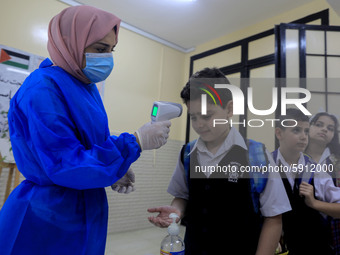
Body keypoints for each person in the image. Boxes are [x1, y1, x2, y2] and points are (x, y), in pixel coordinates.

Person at [0, 5, 171, 255]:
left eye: (112, 50)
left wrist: (114, 169)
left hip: (84, 208)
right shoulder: (43, 89)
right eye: (100, 49)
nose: (108, 58)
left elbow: (87, 144)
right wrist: (135, 142)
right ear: (71, 42)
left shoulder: (85, 87)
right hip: (47, 215)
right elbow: (64, 163)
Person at [148, 67, 291, 255]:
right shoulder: (188, 153)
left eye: (207, 116)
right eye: (194, 117)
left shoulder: (257, 155)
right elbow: (182, 196)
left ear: (229, 109)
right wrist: (175, 212)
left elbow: (274, 218)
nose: (199, 124)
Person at [272, 108, 340, 255]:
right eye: (296, 131)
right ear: (279, 133)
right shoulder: (263, 165)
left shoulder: (317, 171)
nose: (303, 137)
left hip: (315, 248)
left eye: (306, 131)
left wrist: (315, 203)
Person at [304, 112, 340, 254]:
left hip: (333, 233)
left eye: (330, 128)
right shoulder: (294, 157)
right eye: (319, 125)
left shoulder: (337, 163)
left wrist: (314, 203)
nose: (324, 129)